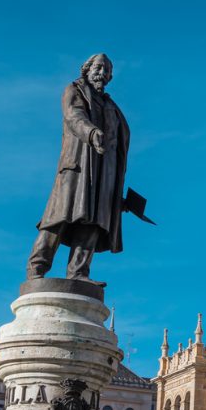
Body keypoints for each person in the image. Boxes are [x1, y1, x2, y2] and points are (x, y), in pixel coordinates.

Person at [26, 53, 131, 285]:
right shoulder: (74, 90)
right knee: (59, 218)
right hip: (79, 166)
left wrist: (117, 192)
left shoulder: (112, 108)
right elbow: (74, 116)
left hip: (106, 173)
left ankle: (79, 273)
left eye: (106, 70)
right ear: (87, 68)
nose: (101, 73)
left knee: (94, 222)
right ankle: (37, 269)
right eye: (98, 67)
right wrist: (92, 132)